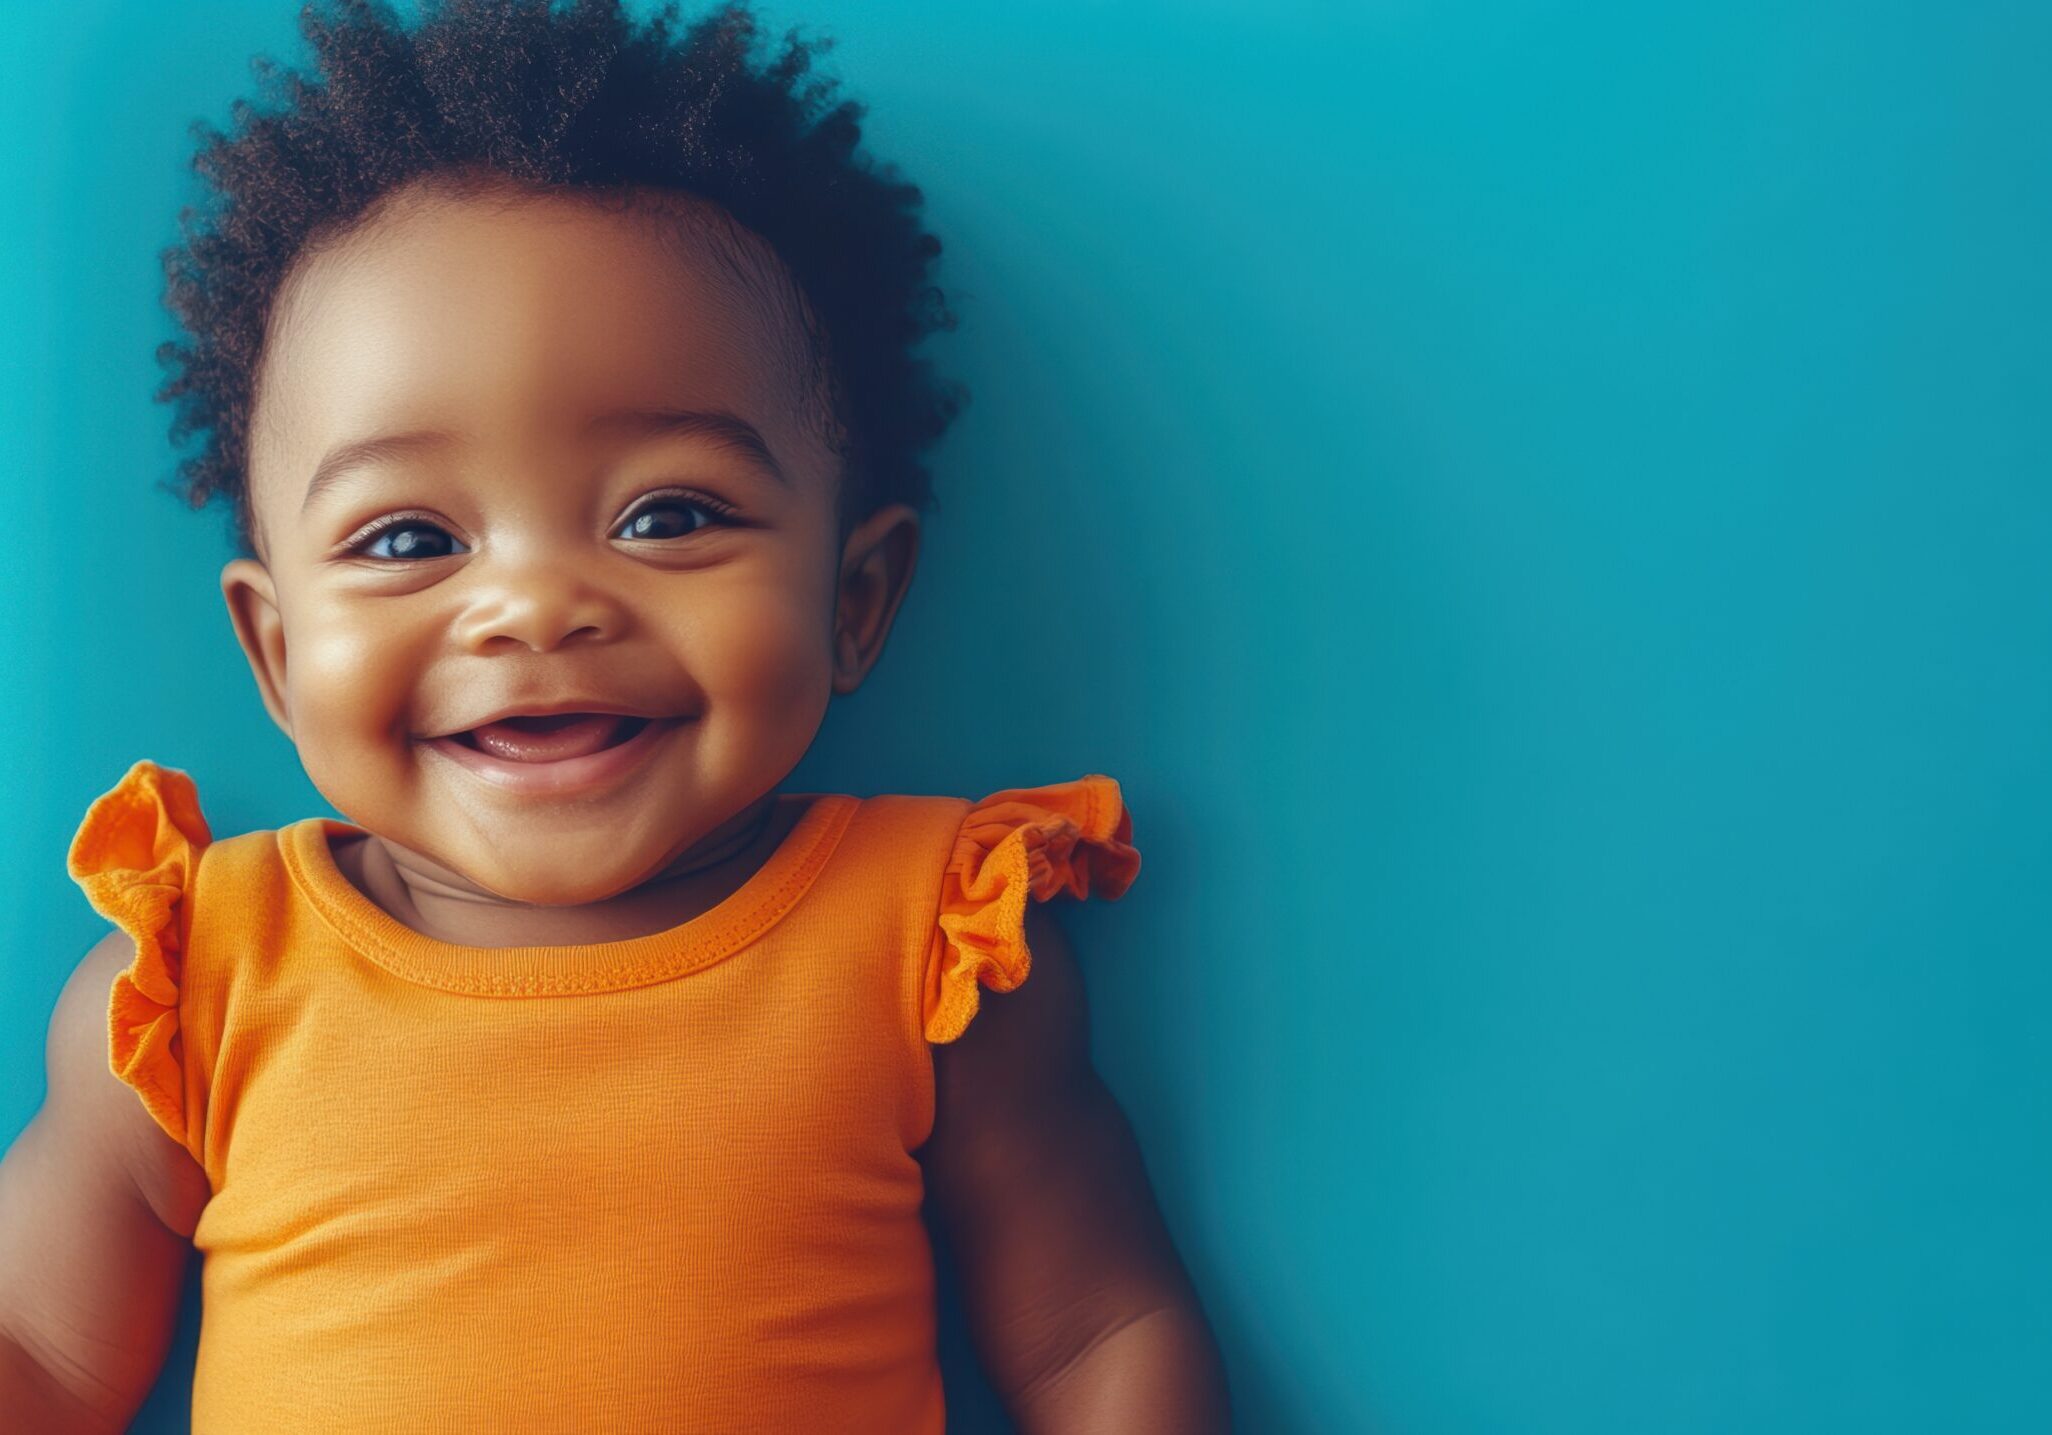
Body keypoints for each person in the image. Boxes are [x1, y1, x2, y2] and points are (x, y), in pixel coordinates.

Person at [0, 1, 1232, 1429]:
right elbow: (37, 1348)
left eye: (668, 515)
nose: (532, 607)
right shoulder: (188, 993)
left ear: (857, 598)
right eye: (406, 539)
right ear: (276, 655)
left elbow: (1097, 1338)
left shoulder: (935, 955)